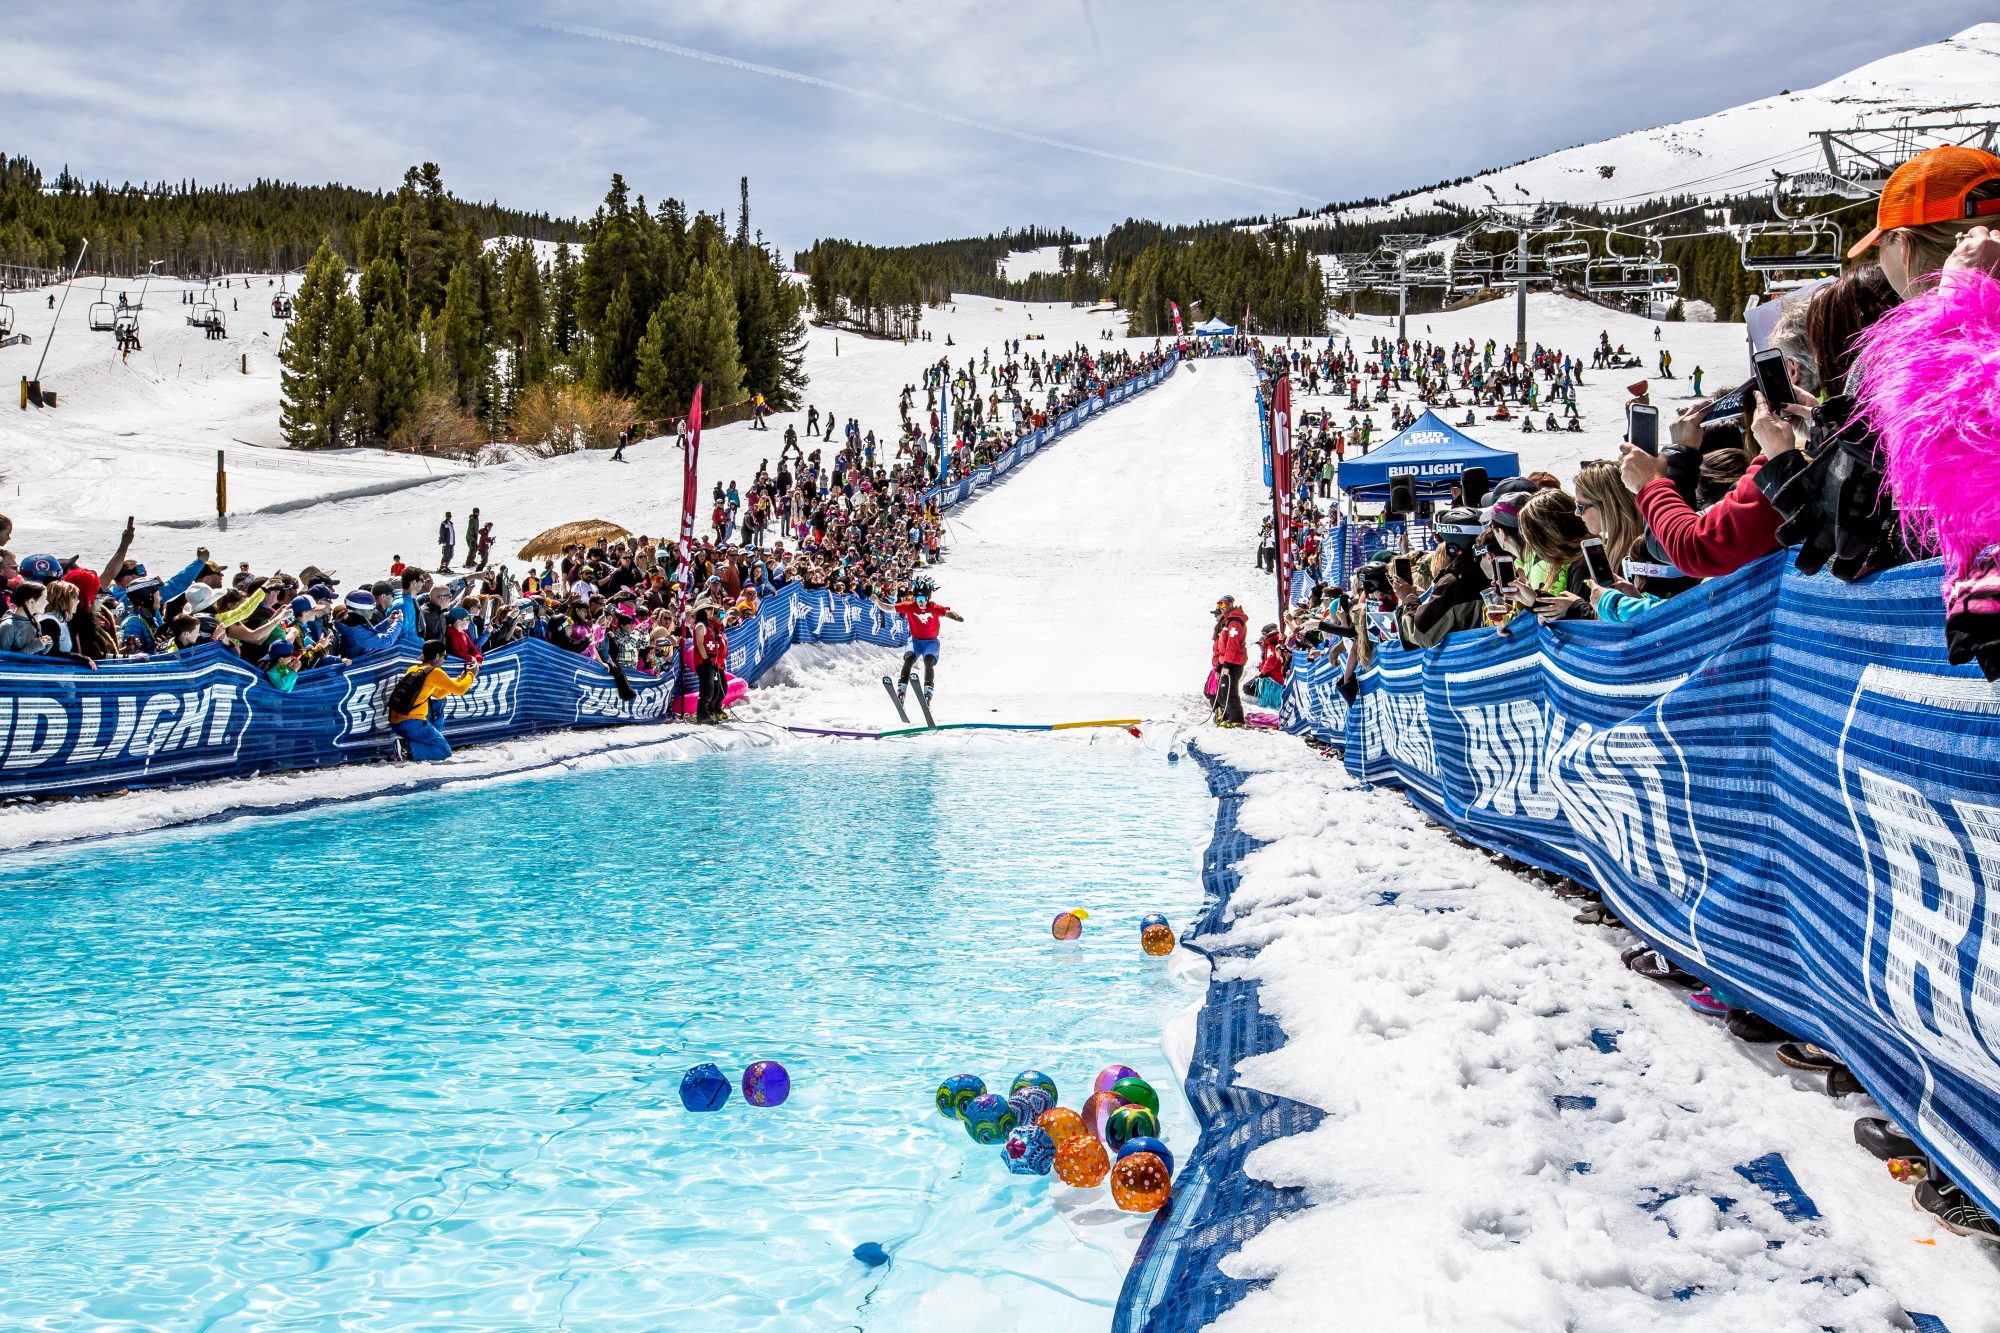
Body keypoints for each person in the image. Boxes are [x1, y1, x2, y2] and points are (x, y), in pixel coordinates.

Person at [387, 639, 479, 760]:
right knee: (444, 751)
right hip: (411, 723)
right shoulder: (435, 672)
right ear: (437, 656)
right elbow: (461, 690)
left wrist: (459, 679)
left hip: (397, 722)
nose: (444, 660)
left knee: (437, 706)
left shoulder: (414, 669)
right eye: (444, 656)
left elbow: (438, 694)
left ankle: (415, 745)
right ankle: (407, 749)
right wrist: (471, 675)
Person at [883, 574, 963, 703]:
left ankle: (928, 692)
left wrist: (957, 617)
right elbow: (888, 608)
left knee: (929, 661)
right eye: (918, 598)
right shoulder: (909, 606)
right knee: (909, 659)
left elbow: (947, 612)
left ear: (928, 598)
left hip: (931, 642)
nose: (920, 601)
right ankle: (901, 689)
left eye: (923, 598)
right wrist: (876, 600)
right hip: (915, 641)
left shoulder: (934, 607)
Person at [1211, 595, 1248, 726]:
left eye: (1222, 605)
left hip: (1234, 662)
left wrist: (1226, 664)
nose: (1220, 608)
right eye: (1219, 605)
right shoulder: (1228, 621)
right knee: (1223, 691)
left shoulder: (1235, 622)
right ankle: (1227, 717)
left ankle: (1237, 720)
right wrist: (1220, 665)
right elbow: (1223, 646)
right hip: (1227, 661)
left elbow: (1232, 644)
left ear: (1230, 604)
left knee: (1230, 691)